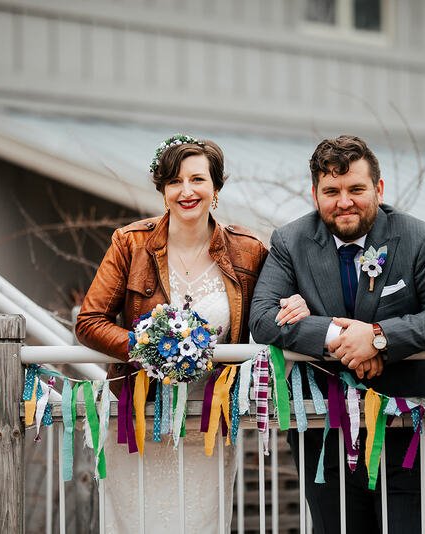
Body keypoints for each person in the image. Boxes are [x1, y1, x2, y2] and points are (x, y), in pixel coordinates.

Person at [75, 134, 306, 532]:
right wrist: (143, 346)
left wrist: (298, 304)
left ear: (215, 188)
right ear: (162, 190)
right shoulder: (130, 244)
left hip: (209, 426)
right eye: (174, 181)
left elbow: (272, 316)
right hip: (139, 421)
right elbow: (89, 321)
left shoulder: (249, 251)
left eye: (197, 179)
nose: (186, 191)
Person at [249, 135, 425, 533]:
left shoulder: (422, 239)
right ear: (315, 194)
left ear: (378, 189)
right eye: (331, 191)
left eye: (356, 189)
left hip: (414, 430)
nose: (344, 201)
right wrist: (337, 334)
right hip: (326, 435)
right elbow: (263, 318)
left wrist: (380, 338)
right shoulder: (290, 242)